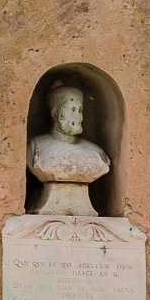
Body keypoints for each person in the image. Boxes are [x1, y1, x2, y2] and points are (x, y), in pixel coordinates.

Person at [27, 83, 111, 216]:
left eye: (79, 110)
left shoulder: (95, 151)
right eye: (71, 109)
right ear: (56, 113)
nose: (77, 116)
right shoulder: (36, 146)